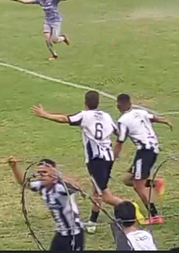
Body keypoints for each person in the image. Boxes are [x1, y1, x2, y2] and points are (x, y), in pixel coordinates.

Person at [32, 91, 129, 235]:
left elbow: (65, 119)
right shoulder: (106, 116)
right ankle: (93, 221)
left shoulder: (85, 115)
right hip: (108, 158)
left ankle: (129, 210)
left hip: (96, 160)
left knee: (103, 194)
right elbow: (119, 133)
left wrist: (45, 114)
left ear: (85, 102)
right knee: (98, 191)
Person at [115, 94, 170, 225]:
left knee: (138, 186)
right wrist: (165, 121)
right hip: (152, 150)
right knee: (127, 179)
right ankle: (155, 183)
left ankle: (155, 215)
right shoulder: (140, 112)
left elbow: (120, 140)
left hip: (145, 153)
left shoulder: (123, 121)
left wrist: (113, 157)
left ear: (118, 106)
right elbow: (153, 118)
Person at [7, 157, 85, 251]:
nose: (41, 175)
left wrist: (59, 174)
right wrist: (14, 167)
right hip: (61, 233)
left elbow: (76, 187)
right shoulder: (42, 186)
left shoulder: (60, 187)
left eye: (44, 172)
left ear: (53, 173)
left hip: (74, 234)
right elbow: (24, 183)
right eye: (39, 173)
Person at [11, 0, 77, 61]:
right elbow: (27, 1)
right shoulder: (39, 0)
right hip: (47, 21)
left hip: (56, 21)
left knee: (54, 40)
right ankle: (54, 55)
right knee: (47, 40)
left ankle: (63, 38)